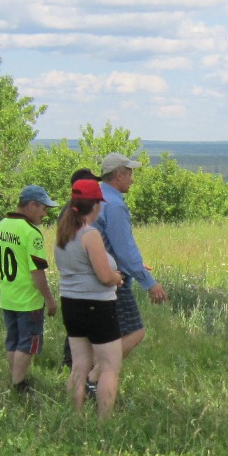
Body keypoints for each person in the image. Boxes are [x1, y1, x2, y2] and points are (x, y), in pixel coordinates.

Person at [53, 178, 127, 417]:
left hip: (71, 305)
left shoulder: (63, 234)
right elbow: (104, 276)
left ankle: (76, 416)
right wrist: (117, 277)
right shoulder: (90, 235)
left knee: (79, 365)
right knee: (109, 367)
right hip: (97, 307)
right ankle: (104, 422)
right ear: (95, 205)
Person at [94, 152, 169, 363]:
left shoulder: (94, 197)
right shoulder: (115, 204)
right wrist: (149, 283)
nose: (132, 179)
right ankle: (100, 374)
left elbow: (105, 242)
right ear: (119, 175)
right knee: (135, 332)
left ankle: (80, 374)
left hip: (89, 275)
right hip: (113, 279)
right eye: (130, 174)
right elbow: (125, 248)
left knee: (94, 335)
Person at [0, 185, 60, 394]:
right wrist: (49, 299)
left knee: (12, 340)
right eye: (43, 208)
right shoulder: (31, 233)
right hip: (28, 300)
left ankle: (14, 380)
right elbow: (37, 272)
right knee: (27, 344)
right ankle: (19, 385)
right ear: (31, 205)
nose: (45, 213)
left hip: (8, 296)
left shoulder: (1, 226)